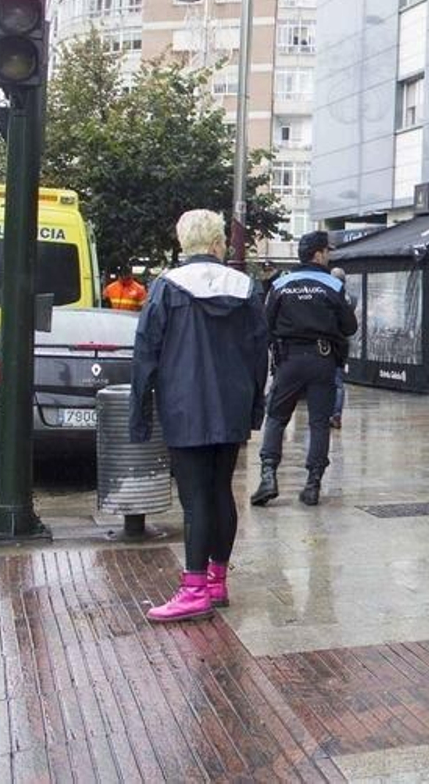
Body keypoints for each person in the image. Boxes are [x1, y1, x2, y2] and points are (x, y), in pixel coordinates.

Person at [129, 209, 268, 623]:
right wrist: (254, 406)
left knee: (194, 499)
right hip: (232, 405)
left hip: (184, 405)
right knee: (222, 489)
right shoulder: (245, 287)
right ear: (217, 242)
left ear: (183, 241)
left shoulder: (167, 287)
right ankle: (216, 580)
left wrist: (140, 411)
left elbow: (146, 351)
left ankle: (193, 590)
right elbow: (261, 352)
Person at [251, 231, 358, 507]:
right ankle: (313, 484)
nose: (329, 255)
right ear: (319, 254)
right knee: (319, 422)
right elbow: (350, 327)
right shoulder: (332, 285)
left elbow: (266, 324)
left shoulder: (281, 284)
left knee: (276, 417)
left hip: (289, 361)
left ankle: (268, 477)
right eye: (327, 251)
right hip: (322, 361)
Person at [329, 266, 354, 431]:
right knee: (338, 381)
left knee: (332, 381)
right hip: (342, 342)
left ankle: (330, 413)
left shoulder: (330, 295)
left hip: (330, 341)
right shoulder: (351, 298)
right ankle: (336, 414)